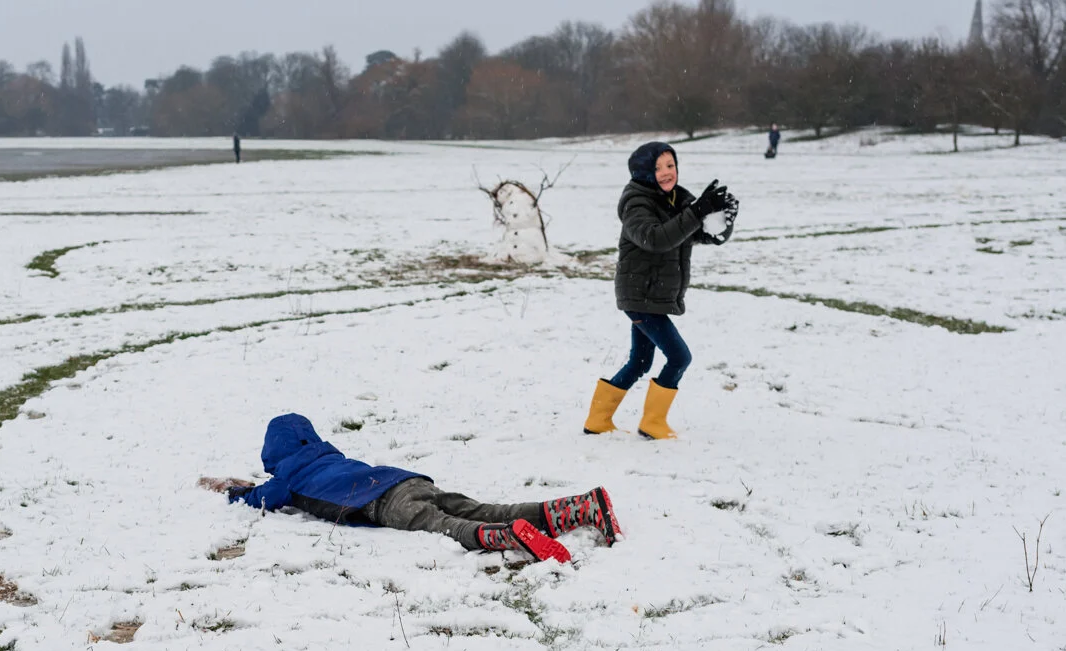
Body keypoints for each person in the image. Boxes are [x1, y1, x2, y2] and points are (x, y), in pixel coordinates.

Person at [206, 414, 620, 564]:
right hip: (405, 478)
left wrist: (234, 490)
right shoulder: (327, 456)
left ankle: (509, 536)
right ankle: (578, 507)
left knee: (446, 526)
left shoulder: (287, 477)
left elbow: (261, 499)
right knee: (481, 508)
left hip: (385, 502)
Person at [582, 141, 735, 440]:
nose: (666, 172)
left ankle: (598, 420)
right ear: (644, 172)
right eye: (658, 167)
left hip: (652, 296)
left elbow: (701, 234)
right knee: (679, 357)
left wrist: (723, 220)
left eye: (670, 165)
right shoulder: (636, 203)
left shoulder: (676, 199)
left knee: (640, 362)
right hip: (640, 296)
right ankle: (653, 423)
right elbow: (655, 239)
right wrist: (697, 211)